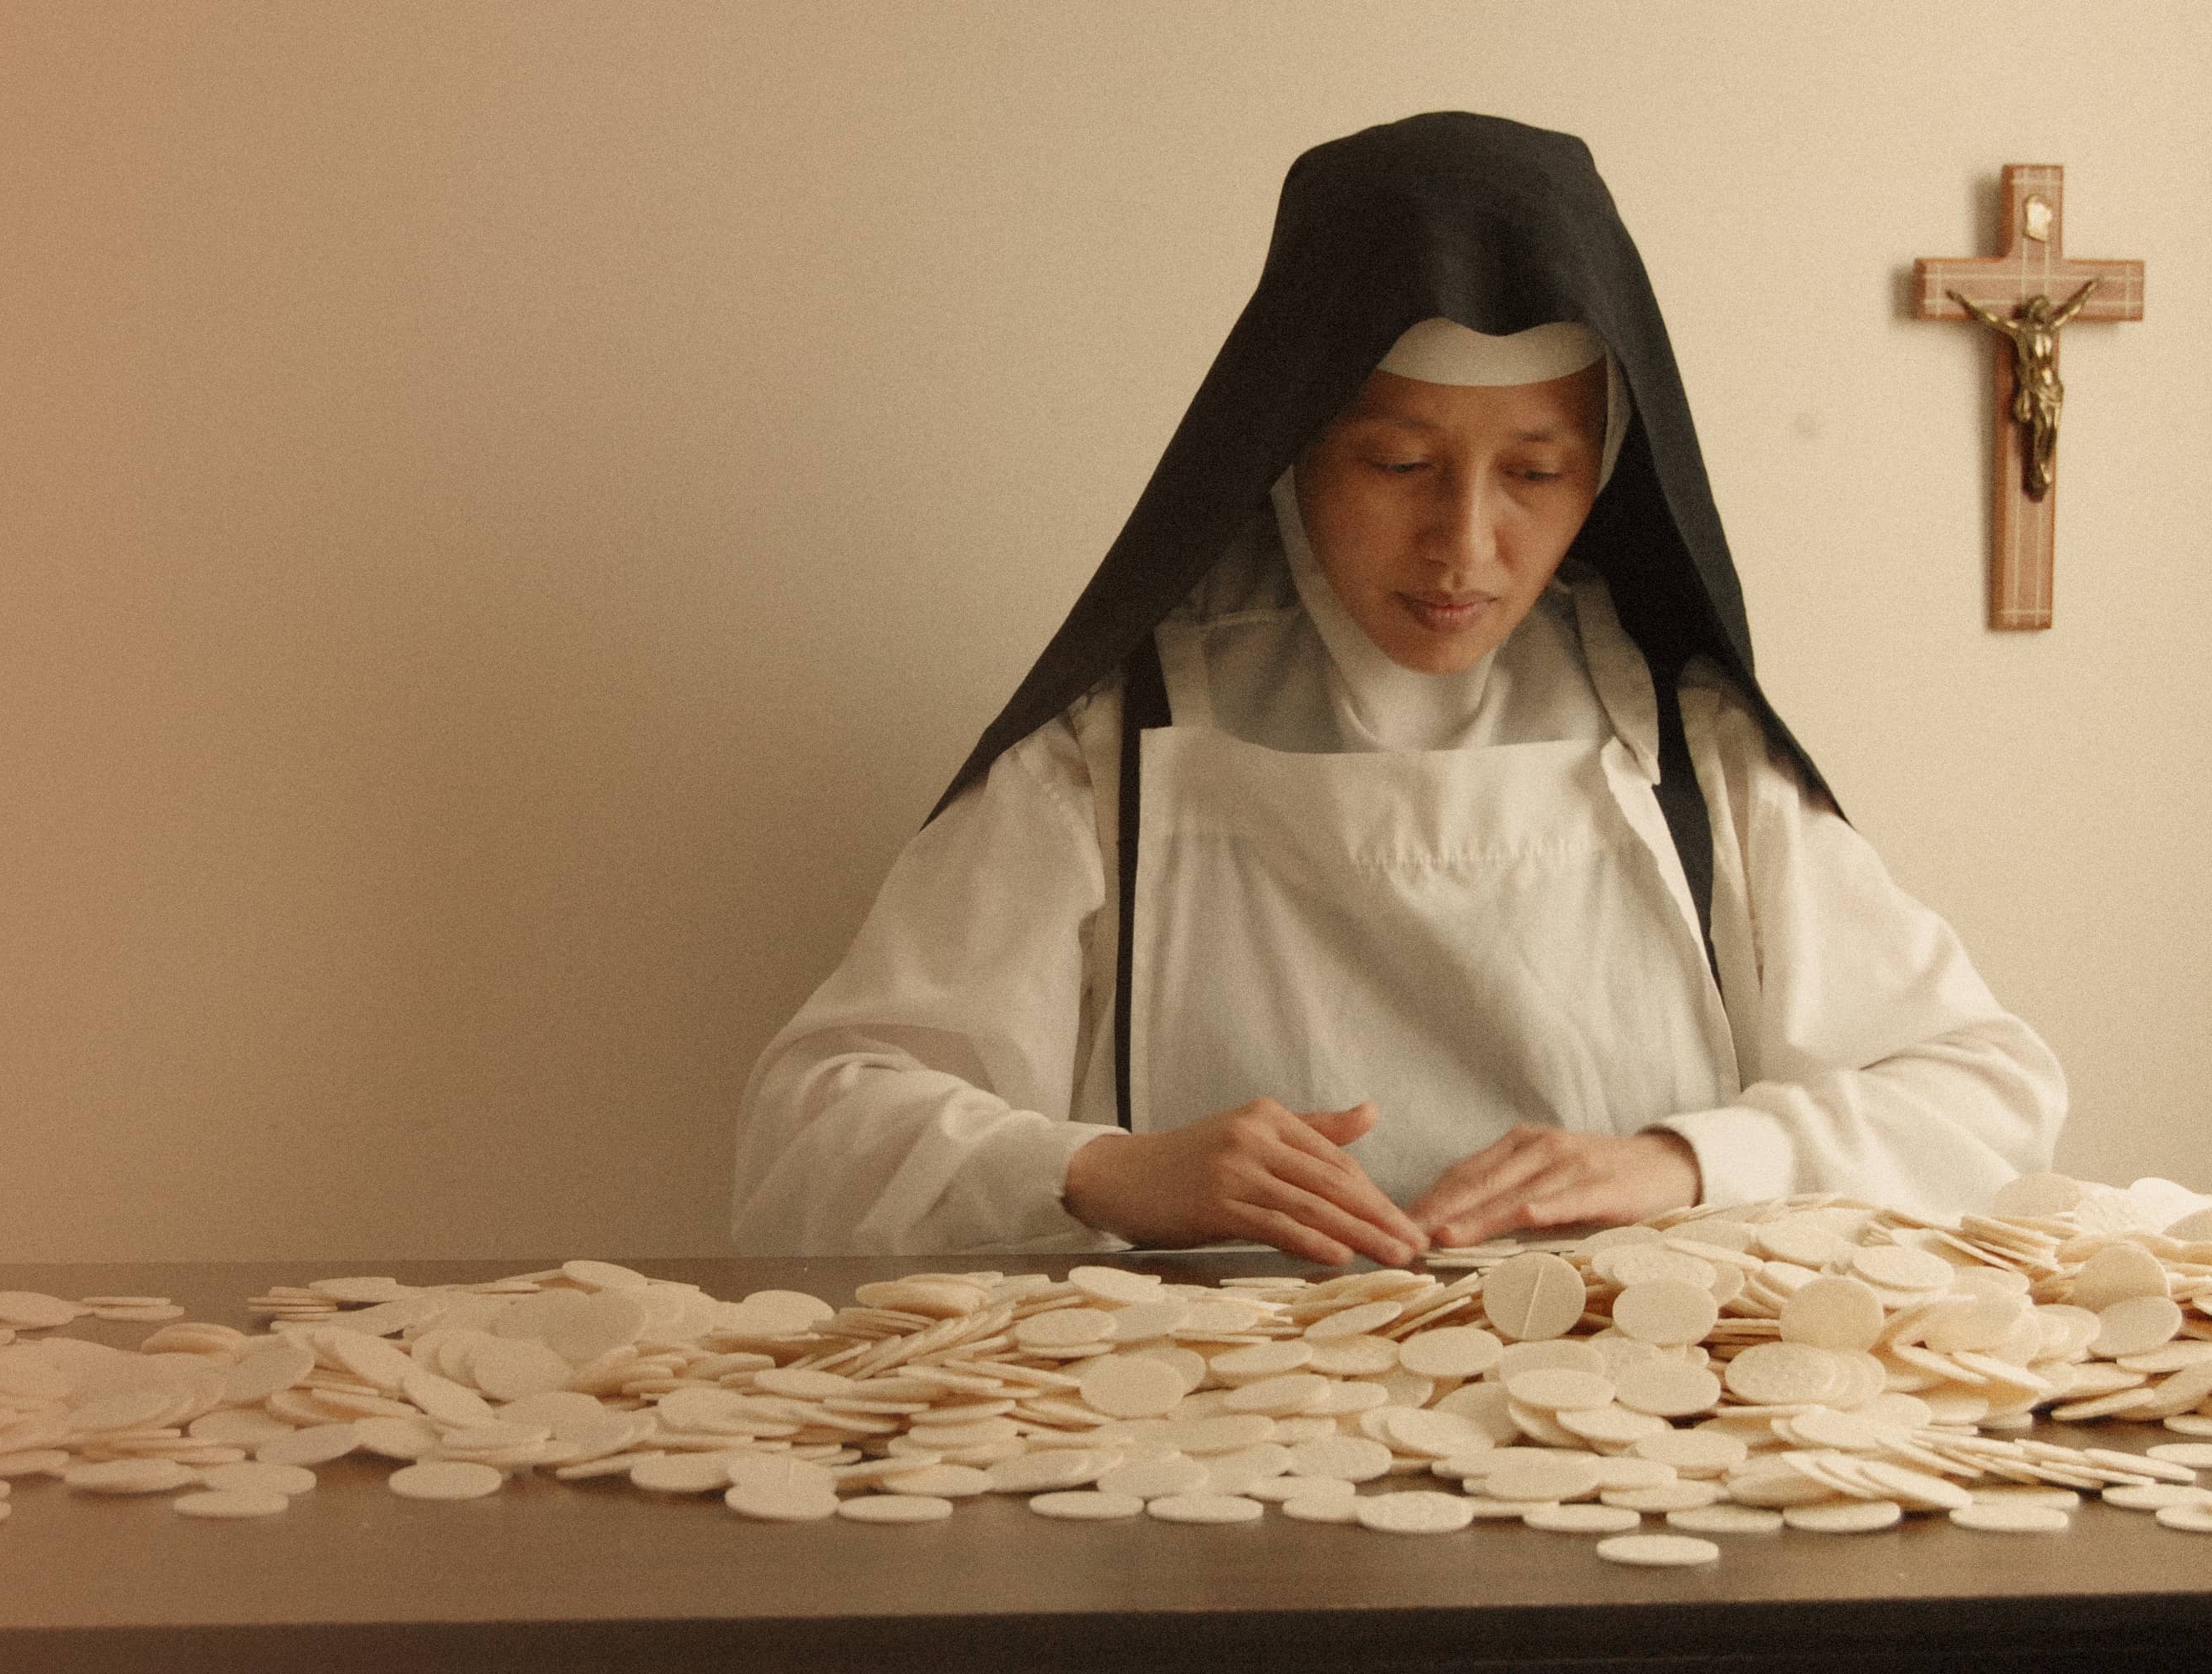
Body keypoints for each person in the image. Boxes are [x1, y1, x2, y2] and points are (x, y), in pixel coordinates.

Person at [732, 113, 2066, 1263]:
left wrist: (1687, 1161)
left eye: (1534, 474)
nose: (1464, 547)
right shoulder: (1118, 736)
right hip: (1213, 1469)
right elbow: (818, 1130)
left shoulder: (1681, 742)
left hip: (1632, 1464)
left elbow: (1989, 1092)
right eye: (1395, 463)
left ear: (1602, 466)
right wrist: (1105, 1173)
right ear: (1291, 441)